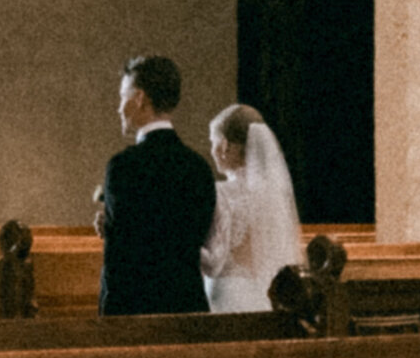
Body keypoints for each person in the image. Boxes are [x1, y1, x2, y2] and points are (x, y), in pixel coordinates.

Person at [95, 55, 217, 316]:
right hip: (189, 308)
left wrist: (107, 318)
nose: (119, 107)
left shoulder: (124, 166)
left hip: (137, 311)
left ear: (139, 98)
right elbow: (195, 237)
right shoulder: (198, 167)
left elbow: (120, 259)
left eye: (122, 96)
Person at [202, 103, 304, 312]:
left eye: (212, 142)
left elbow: (214, 263)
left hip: (229, 294)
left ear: (223, 146)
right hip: (265, 293)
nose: (211, 150)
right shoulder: (275, 195)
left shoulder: (222, 193)